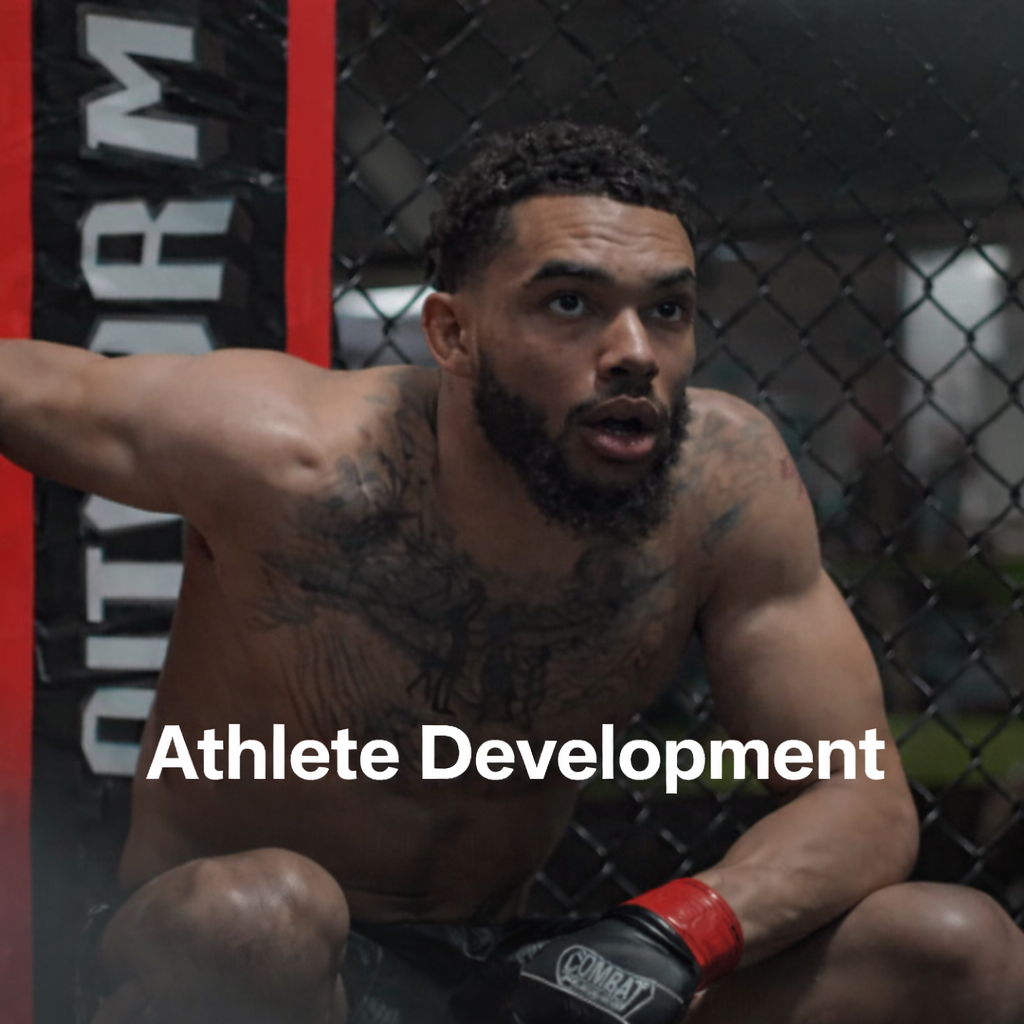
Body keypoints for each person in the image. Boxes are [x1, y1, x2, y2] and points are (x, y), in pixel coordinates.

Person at [1, 121, 1022, 1024]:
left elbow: (860, 802)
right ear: (452, 332)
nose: (632, 352)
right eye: (570, 304)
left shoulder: (723, 483)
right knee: (261, 914)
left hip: (517, 971)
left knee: (949, 945)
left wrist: (668, 934)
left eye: (666, 312)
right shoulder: (285, 452)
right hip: (238, 962)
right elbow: (36, 384)